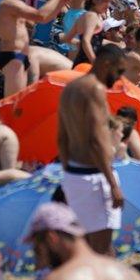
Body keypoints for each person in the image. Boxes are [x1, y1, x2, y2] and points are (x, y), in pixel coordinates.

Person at [58, 44, 126, 256]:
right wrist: (112, 184)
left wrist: (67, 172)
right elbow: (96, 141)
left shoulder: (70, 88)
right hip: (96, 176)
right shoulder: (94, 89)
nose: (119, 78)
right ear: (106, 64)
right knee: (103, 252)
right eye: (119, 71)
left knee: (83, 250)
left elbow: (61, 138)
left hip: (75, 174)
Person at [0, 0, 70, 96]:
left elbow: (43, 19)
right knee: (14, 100)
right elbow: (41, 16)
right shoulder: (9, 3)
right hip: (13, 56)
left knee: (18, 100)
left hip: (18, 55)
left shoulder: (14, 3)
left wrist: (61, 1)